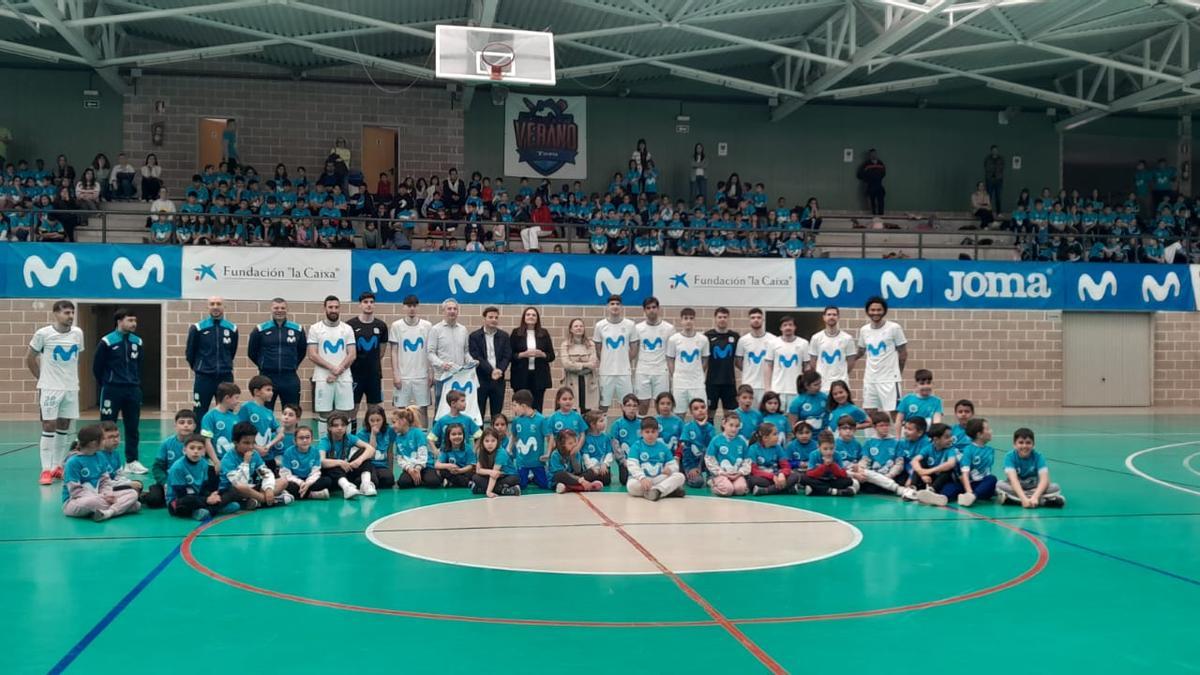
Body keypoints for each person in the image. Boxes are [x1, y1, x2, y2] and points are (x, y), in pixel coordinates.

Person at [27, 300, 84, 485]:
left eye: (72, 313)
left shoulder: (77, 333)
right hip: (50, 388)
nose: (70, 316)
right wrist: (42, 379)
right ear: (56, 313)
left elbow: (76, 358)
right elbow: (29, 358)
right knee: (49, 425)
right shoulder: (43, 334)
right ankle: (45, 470)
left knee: (64, 425)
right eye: (67, 312)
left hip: (70, 388)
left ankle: (58, 466)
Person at [92, 307, 147, 474]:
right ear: (119, 321)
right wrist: (108, 383)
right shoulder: (107, 342)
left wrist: (135, 383)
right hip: (111, 390)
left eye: (135, 320)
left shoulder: (138, 342)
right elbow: (97, 367)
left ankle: (132, 461)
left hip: (132, 390)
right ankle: (106, 461)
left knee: (132, 426)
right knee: (107, 427)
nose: (134, 323)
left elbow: (140, 365)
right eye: (130, 320)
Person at [62, 425, 142, 521]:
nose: (105, 441)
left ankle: (108, 513)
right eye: (103, 439)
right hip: (76, 501)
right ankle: (120, 507)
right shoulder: (73, 462)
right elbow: (75, 491)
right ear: (93, 443)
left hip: (101, 497)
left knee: (132, 493)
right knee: (92, 502)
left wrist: (108, 494)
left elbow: (105, 481)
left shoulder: (100, 457)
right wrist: (102, 497)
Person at [308, 296, 357, 437]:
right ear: (325, 308)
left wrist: (337, 372)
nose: (333, 310)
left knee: (344, 413)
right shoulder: (315, 328)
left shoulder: (347, 329)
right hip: (323, 378)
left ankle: (345, 446)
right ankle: (325, 447)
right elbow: (312, 354)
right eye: (330, 307)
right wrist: (332, 368)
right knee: (324, 413)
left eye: (336, 307)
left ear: (339, 308)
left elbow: (352, 354)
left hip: (344, 377)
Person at [247, 298, 306, 410]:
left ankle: (291, 429)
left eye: (282, 308)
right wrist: (263, 364)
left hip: (290, 378)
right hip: (267, 377)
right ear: (271, 309)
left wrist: (292, 365)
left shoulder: (298, 329)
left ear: (287, 309)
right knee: (265, 412)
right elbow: (251, 352)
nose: (279, 310)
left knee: (292, 411)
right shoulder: (260, 329)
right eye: (276, 308)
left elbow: (302, 351)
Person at [855, 296, 907, 422]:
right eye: (872, 310)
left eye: (879, 310)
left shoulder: (894, 328)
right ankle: (875, 439)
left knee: (894, 412)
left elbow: (903, 353)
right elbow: (861, 351)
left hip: (889, 379)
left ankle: (898, 440)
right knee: (870, 411)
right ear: (867, 311)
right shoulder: (864, 330)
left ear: (884, 311)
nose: (876, 313)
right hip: (870, 379)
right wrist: (844, 362)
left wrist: (897, 373)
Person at [186, 296, 238, 417]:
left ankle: (225, 436)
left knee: (227, 410)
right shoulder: (198, 328)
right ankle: (199, 436)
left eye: (218, 304)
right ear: (207, 307)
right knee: (199, 411)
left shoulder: (232, 328)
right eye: (212, 304)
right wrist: (201, 368)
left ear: (224, 307)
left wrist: (225, 364)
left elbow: (232, 351)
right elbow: (190, 353)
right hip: (204, 377)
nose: (215, 307)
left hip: (226, 377)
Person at [219, 422, 289, 509]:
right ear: (235, 442)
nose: (251, 447)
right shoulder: (227, 459)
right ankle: (266, 500)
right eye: (246, 443)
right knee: (241, 487)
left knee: (283, 481)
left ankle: (257, 500)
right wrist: (245, 463)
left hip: (251, 488)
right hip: (233, 491)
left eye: (253, 443)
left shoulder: (254, 454)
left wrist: (269, 488)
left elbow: (265, 472)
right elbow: (240, 483)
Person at [850, 412, 917, 500]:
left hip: (890, 476)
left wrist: (890, 475)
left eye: (887, 425)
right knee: (862, 476)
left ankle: (899, 489)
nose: (885, 428)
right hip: (874, 476)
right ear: (874, 427)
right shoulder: (869, 442)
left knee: (900, 479)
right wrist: (860, 468)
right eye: (881, 425)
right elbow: (865, 460)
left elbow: (899, 464)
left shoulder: (896, 442)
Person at [389, 295, 433, 427]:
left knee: (422, 410)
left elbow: (430, 351)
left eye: (414, 306)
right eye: (409, 306)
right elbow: (394, 351)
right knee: (400, 410)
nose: (412, 309)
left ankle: (423, 439)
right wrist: (396, 374)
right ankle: (401, 438)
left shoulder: (427, 326)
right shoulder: (396, 326)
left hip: (422, 376)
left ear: (417, 307)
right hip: (403, 376)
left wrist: (431, 372)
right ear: (404, 307)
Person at [347, 291, 389, 423]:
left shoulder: (381, 326)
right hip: (355, 375)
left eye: (371, 302)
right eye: (365, 302)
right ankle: (351, 440)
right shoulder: (350, 325)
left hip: (374, 375)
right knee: (352, 409)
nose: (369, 305)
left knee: (374, 409)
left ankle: (373, 437)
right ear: (360, 305)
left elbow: (381, 352)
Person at [997, 427, 1066, 508]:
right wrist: (1023, 498)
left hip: (1034, 488)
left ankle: (1014, 500)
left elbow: (1044, 480)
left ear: (1033, 445)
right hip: (1017, 488)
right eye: (1021, 442)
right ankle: (1042, 501)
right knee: (999, 485)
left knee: (1055, 487)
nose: (1024, 446)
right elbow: (1013, 480)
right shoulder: (1009, 457)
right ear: (1014, 445)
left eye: (1028, 443)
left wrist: (1035, 496)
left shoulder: (1038, 457)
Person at [593, 294, 639, 413]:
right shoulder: (600, 326)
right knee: (603, 405)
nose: (615, 306)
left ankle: (627, 429)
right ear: (607, 307)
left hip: (624, 372)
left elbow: (634, 348)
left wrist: (623, 360)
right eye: (612, 304)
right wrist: (607, 361)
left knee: (628, 404)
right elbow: (598, 349)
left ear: (622, 307)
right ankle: (601, 429)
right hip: (606, 372)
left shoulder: (630, 325)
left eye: (618, 304)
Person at [145, 409, 198, 509]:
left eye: (190, 423)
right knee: (153, 499)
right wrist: (165, 482)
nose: (186, 425)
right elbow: (157, 467)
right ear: (175, 425)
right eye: (182, 422)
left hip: (190, 482)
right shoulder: (167, 443)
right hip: (169, 481)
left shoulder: (199, 443)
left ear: (195, 426)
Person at [318, 412, 376, 499]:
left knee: (364, 452)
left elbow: (371, 449)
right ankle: (347, 488)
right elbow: (321, 461)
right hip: (333, 474)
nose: (340, 428)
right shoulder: (325, 441)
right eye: (336, 425)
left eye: (343, 425)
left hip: (346, 469)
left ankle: (366, 484)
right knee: (333, 464)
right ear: (329, 428)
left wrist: (359, 460)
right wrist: (339, 462)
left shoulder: (349, 437)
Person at [469, 306, 512, 423]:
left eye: (496, 317)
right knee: (479, 413)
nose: (494, 320)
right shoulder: (475, 336)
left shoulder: (504, 336)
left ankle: (495, 439)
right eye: (491, 317)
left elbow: (507, 356)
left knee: (497, 414)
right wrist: (491, 370)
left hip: (498, 379)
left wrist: (500, 370)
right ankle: (479, 440)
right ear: (484, 319)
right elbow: (476, 356)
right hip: (481, 379)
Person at [626, 417, 685, 500]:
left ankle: (657, 491)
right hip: (643, 480)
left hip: (659, 478)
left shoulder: (663, 447)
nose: (650, 434)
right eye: (647, 432)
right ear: (641, 433)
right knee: (631, 486)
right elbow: (632, 465)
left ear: (658, 433)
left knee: (680, 476)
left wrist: (670, 469)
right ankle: (665, 491)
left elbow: (674, 465)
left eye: (653, 432)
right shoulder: (636, 447)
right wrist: (642, 478)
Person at [943, 418, 999, 507]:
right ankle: (942, 497)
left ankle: (973, 496)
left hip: (982, 484)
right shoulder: (968, 450)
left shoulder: (990, 450)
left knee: (992, 479)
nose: (991, 431)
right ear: (979, 434)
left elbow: (987, 472)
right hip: (968, 484)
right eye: (988, 429)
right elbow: (965, 473)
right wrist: (969, 491)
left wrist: (972, 493)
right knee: (951, 486)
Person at [510, 306, 556, 412]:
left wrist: (542, 354)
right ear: (524, 317)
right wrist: (522, 354)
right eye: (528, 314)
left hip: (539, 376)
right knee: (521, 406)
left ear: (537, 318)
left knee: (537, 406)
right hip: (520, 376)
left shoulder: (544, 333)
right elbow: (510, 355)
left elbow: (551, 355)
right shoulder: (516, 333)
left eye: (534, 315)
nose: (531, 317)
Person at [633, 296, 673, 415]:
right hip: (643, 370)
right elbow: (634, 350)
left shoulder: (669, 328)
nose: (651, 310)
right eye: (648, 308)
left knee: (661, 404)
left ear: (658, 308)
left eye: (654, 307)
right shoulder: (637, 328)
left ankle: (662, 429)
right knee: (643, 404)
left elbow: (672, 353)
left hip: (661, 371)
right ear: (644, 310)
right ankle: (641, 430)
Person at [427, 298, 470, 406]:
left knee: (458, 407)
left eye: (455, 309)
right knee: (441, 407)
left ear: (457, 312)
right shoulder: (435, 329)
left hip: (459, 377)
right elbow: (430, 353)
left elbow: (466, 352)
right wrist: (442, 364)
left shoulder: (463, 330)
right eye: (449, 308)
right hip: (442, 377)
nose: (452, 311)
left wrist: (472, 361)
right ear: (443, 311)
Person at [667, 308, 709, 416]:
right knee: (679, 414)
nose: (688, 321)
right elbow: (670, 359)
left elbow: (705, 359)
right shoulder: (674, 339)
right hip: (680, 384)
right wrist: (675, 375)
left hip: (697, 383)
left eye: (691, 318)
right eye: (685, 318)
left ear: (694, 320)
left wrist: (698, 372)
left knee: (700, 413)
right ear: (681, 320)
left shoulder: (703, 339)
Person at [808, 306, 856, 393]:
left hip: (841, 384)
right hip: (822, 385)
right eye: (829, 314)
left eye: (834, 315)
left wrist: (842, 374)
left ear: (838, 317)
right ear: (824, 317)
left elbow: (851, 362)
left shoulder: (847, 338)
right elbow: (812, 362)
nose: (831, 317)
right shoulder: (816, 338)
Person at [391, 406, 440, 489]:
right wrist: (409, 469)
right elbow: (400, 458)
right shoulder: (398, 437)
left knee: (433, 482)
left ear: (403, 421)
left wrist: (418, 468)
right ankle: (418, 480)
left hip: (425, 465)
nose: (393, 426)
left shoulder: (417, 433)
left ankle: (423, 478)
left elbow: (423, 454)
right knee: (403, 483)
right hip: (410, 467)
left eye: (394, 422)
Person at [909, 422, 957, 506]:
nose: (950, 439)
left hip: (943, 480)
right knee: (921, 462)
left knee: (947, 470)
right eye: (947, 437)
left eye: (950, 436)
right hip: (930, 478)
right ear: (936, 439)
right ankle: (912, 489)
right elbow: (914, 460)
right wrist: (922, 473)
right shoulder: (928, 448)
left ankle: (931, 491)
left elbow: (951, 463)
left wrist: (928, 471)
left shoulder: (951, 450)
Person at [510, 389, 550, 490]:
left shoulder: (541, 419)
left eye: (515, 406)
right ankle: (527, 477)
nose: (513, 409)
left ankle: (533, 477)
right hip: (522, 461)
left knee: (544, 485)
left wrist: (548, 453)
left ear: (523, 406)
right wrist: (509, 449)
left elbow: (550, 436)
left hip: (537, 461)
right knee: (521, 485)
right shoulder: (516, 420)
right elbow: (513, 435)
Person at [767, 315, 808, 411]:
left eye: (790, 325)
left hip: (796, 390)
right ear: (781, 328)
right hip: (777, 389)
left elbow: (807, 367)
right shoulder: (772, 343)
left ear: (795, 327)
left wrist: (805, 387)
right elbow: (768, 366)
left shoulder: (804, 343)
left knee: (793, 418)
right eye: (785, 325)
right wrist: (768, 388)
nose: (788, 327)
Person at [705, 307, 740, 416]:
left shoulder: (735, 336)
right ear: (715, 318)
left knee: (730, 414)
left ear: (728, 319)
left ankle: (728, 433)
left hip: (729, 381)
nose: (722, 319)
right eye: (720, 317)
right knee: (709, 413)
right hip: (712, 381)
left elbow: (739, 359)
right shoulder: (707, 336)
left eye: (725, 317)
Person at [746, 422, 799, 496]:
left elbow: (786, 466)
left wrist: (781, 474)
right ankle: (787, 488)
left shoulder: (778, 447)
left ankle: (766, 490)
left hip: (777, 477)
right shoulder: (753, 448)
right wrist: (772, 476)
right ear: (765, 438)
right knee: (753, 480)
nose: (778, 436)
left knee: (795, 476)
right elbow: (754, 471)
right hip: (764, 478)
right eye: (775, 434)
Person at [279, 426, 332, 500]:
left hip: (309, 479)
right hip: (295, 480)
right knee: (287, 485)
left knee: (327, 481)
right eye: (301, 438)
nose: (305, 440)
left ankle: (302, 494)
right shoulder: (288, 452)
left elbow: (316, 472)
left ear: (312, 439)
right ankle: (312, 494)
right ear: (295, 440)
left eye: (307, 437)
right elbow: (286, 474)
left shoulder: (315, 451)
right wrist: (300, 483)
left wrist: (308, 483)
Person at [801, 430, 858, 497]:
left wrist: (832, 465)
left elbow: (843, 474)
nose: (829, 452)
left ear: (835, 447)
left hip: (832, 480)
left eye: (831, 448)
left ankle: (817, 490)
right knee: (804, 478)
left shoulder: (837, 455)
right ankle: (834, 491)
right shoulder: (813, 455)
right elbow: (810, 474)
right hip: (818, 479)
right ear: (818, 447)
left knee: (849, 481)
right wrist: (824, 466)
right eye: (825, 449)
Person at [705, 414, 750, 497]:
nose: (734, 429)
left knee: (741, 489)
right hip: (720, 473)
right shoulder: (716, 440)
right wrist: (721, 472)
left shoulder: (742, 442)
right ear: (724, 424)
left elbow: (747, 461)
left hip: (736, 474)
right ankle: (713, 482)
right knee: (728, 490)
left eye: (737, 426)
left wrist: (740, 473)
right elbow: (709, 459)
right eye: (731, 425)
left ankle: (732, 483)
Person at [560, 318, 599, 412]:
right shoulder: (565, 345)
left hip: (589, 381)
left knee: (589, 411)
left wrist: (576, 365)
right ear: (571, 329)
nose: (579, 328)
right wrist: (585, 365)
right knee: (572, 409)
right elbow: (566, 364)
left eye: (581, 326)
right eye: (576, 326)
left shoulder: (591, 344)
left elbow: (593, 364)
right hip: (571, 381)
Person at [548, 429, 602, 493]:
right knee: (560, 475)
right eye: (570, 443)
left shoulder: (576, 452)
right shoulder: (556, 454)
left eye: (575, 441)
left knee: (591, 472)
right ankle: (586, 486)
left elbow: (578, 471)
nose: (574, 445)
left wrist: (573, 457)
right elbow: (560, 474)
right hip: (560, 480)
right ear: (562, 445)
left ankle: (568, 488)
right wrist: (581, 481)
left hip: (575, 478)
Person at [472, 428, 521, 497]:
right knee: (475, 477)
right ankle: (506, 490)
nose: (490, 444)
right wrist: (490, 472)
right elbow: (478, 470)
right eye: (487, 441)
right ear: (482, 442)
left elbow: (494, 475)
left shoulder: (501, 453)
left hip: (508, 476)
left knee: (514, 479)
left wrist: (488, 492)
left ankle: (483, 488)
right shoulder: (480, 451)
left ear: (498, 442)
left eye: (493, 441)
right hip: (493, 476)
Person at [579, 411, 614, 486]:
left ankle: (595, 482)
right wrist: (591, 467)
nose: (604, 423)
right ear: (592, 424)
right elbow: (585, 456)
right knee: (590, 475)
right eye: (601, 421)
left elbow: (609, 452)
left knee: (607, 480)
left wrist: (605, 464)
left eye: (604, 420)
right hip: (591, 468)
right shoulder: (587, 438)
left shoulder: (606, 437)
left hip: (602, 467)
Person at [857, 148, 886, 215]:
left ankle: (881, 215)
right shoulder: (866, 164)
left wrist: (878, 177)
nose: (874, 155)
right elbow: (859, 175)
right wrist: (868, 179)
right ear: (870, 155)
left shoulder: (880, 163)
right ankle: (873, 215)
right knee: (872, 202)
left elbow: (884, 173)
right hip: (870, 186)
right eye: (872, 154)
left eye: (875, 154)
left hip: (879, 185)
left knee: (881, 201)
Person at [983, 145, 1004, 212]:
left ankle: (999, 212)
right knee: (989, 197)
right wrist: (991, 173)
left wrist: (997, 174)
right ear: (991, 151)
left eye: (996, 150)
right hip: (990, 180)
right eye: (993, 150)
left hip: (998, 180)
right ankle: (988, 212)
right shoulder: (988, 159)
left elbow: (1002, 168)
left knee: (998, 197)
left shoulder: (1001, 159)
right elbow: (986, 167)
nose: (995, 151)